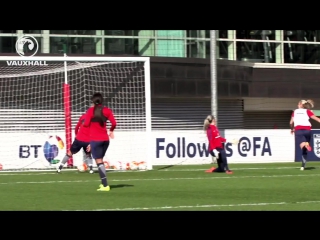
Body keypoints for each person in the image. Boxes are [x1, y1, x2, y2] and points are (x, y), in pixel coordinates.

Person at [83, 93, 117, 191]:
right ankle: (103, 184)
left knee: (99, 162)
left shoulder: (90, 111)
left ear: (93, 101)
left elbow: (86, 124)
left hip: (96, 140)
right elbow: (114, 123)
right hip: (105, 140)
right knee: (100, 160)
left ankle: (105, 185)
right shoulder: (107, 110)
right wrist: (111, 130)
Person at [290, 99, 320, 170]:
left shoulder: (295, 111)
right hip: (308, 130)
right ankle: (303, 166)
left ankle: (305, 144)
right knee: (304, 150)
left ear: (300, 104)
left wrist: (292, 129)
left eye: (298, 104)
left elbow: (291, 122)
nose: (297, 105)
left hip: (298, 130)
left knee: (301, 145)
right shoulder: (308, 111)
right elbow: (317, 119)